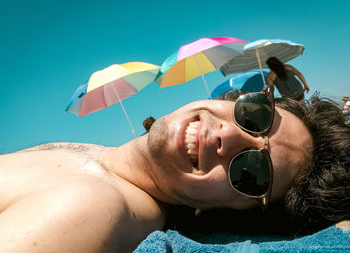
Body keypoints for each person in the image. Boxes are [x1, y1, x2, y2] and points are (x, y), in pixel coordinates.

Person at [0, 89, 349, 252]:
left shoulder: (90, 207)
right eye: (256, 115)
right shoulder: (97, 158)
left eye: (252, 171)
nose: (228, 136)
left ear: (221, 213)